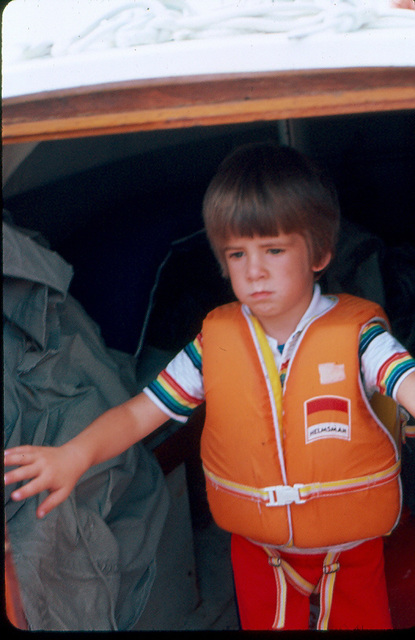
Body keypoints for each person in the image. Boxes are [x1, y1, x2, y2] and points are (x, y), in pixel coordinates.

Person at [5, 144, 415, 631]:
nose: (254, 271)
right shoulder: (212, 344)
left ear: (320, 253)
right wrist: (74, 455)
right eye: (236, 254)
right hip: (261, 556)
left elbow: (403, 378)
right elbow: (140, 414)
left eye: (274, 250)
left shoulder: (359, 336)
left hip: (349, 555)